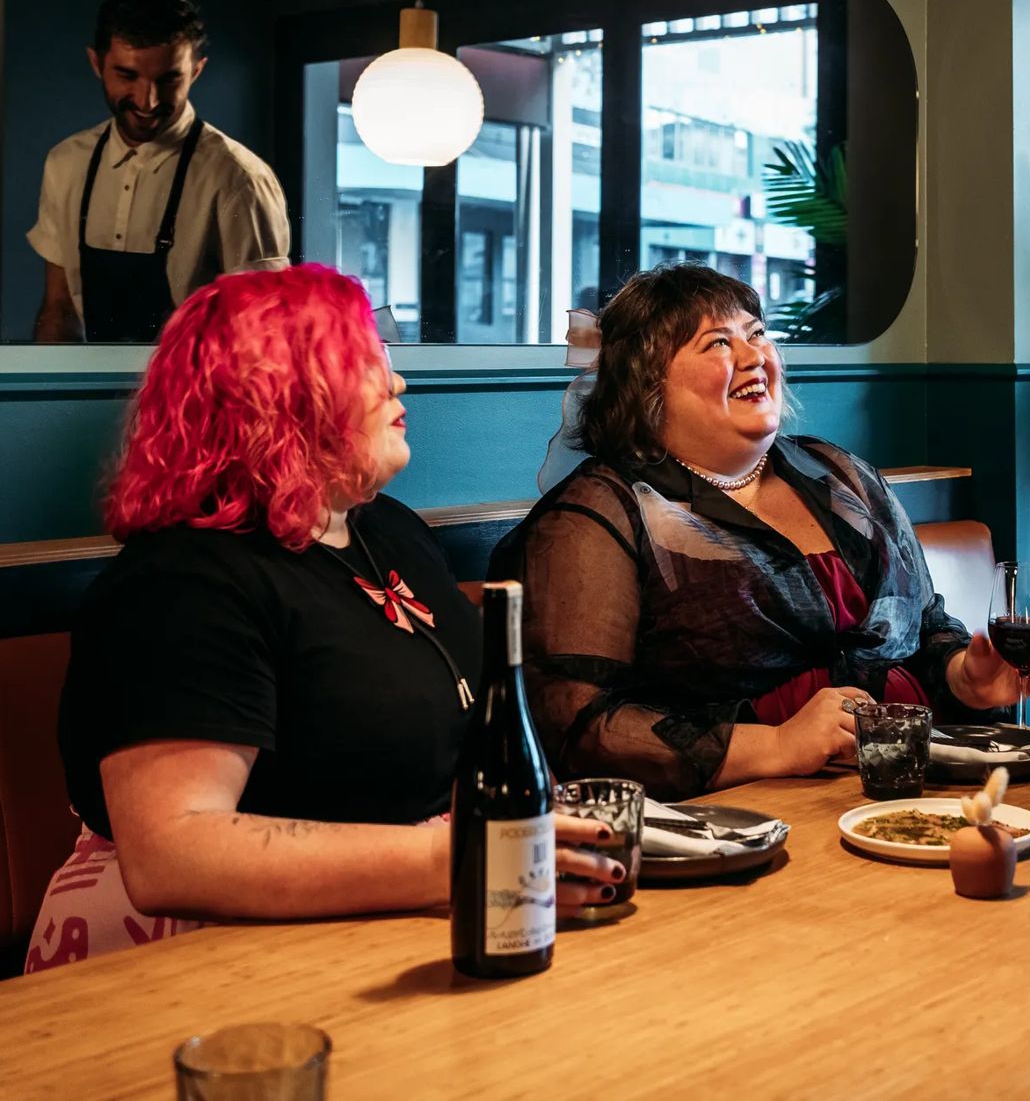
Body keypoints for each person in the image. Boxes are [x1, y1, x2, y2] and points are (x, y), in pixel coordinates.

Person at [24, 265, 620, 972]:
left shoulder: (385, 529)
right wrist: (451, 858)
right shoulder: (181, 583)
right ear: (278, 387)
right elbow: (172, 858)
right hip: (203, 954)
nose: (398, 383)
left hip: (412, 907)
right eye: (365, 363)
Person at [489, 263, 1030, 801]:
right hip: (748, 816)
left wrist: (967, 678)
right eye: (718, 342)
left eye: (757, 333)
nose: (753, 355)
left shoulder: (843, 475)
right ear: (647, 385)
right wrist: (776, 745)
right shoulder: (596, 515)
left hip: (926, 780)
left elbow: (927, 628)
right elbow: (577, 724)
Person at [27, 0, 291, 343]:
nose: (147, 101)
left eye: (169, 80)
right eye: (127, 75)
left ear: (196, 71)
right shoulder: (66, 162)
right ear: (96, 64)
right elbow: (59, 309)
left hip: (196, 395)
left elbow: (264, 331)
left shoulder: (238, 178)